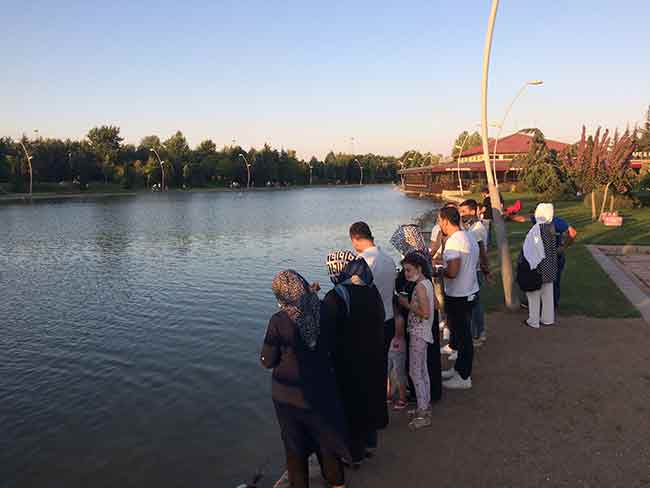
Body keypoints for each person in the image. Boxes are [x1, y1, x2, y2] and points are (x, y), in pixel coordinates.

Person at [261, 270, 349, 488]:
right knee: (326, 438)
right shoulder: (324, 309)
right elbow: (334, 343)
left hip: (290, 396)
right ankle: (337, 483)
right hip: (323, 386)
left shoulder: (279, 321)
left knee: (295, 447)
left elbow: (268, 360)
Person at [323, 252, 388, 466]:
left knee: (350, 405)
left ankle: (354, 454)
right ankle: (370, 443)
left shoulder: (335, 296)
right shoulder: (370, 289)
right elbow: (380, 317)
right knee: (368, 398)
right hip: (373, 355)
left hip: (348, 361)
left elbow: (328, 332)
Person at [348, 221, 396, 451]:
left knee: (367, 373)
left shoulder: (362, 263)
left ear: (356, 238)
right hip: (388, 318)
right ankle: (381, 416)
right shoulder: (387, 258)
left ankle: (370, 420)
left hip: (370, 323)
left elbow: (354, 294)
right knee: (380, 368)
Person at [436, 206, 479, 390]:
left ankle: (464, 377)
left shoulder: (453, 241)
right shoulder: (468, 235)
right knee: (462, 334)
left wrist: (438, 271)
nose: (439, 224)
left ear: (446, 221)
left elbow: (453, 272)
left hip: (459, 294)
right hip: (470, 291)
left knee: (463, 336)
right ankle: (459, 369)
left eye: (439, 221)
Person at [397, 252, 436, 430]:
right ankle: (424, 405)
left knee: (415, 372)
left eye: (408, 270)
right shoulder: (427, 283)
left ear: (419, 268)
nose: (406, 274)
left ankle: (423, 413)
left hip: (418, 333)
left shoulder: (420, 287)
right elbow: (435, 306)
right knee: (422, 370)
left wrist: (406, 304)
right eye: (404, 270)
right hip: (423, 333)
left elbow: (425, 313)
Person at [509, 208, 577, 307]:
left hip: (554, 255)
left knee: (552, 280)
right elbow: (522, 218)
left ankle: (551, 304)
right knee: (540, 279)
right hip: (543, 255)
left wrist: (562, 247)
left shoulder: (556, 221)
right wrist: (509, 216)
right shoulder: (538, 219)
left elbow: (573, 232)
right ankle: (543, 304)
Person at [458, 199, 491, 346]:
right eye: (460, 212)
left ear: (473, 211)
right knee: (475, 302)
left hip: (475, 270)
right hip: (474, 269)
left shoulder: (476, 230)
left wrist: (486, 270)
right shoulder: (473, 227)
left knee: (474, 303)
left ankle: (477, 333)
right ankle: (479, 331)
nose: (462, 215)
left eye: (464, 211)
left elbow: (482, 252)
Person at [522, 204, 558, 328]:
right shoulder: (551, 226)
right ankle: (548, 319)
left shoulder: (537, 229)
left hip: (539, 267)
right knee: (548, 295)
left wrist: (531, 263)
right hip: (550, 266)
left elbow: (535, 248)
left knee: (534, 295)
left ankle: (533, 320)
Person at [386, 317, 408, 410]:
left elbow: (399, 334)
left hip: (398, 349)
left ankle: (402, 398)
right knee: (387, 372)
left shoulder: (399, 319)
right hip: (390, 348)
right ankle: (389, 395)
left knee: (399, 374)